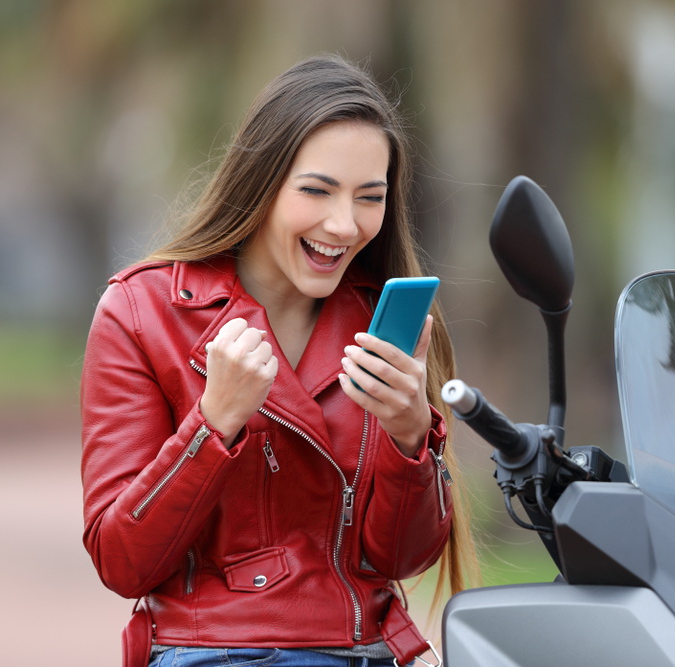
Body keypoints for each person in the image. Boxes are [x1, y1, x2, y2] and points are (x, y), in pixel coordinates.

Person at [80, 54, 477, 667]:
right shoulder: (141, 311)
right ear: (261, 183)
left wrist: (410, 438)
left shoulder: (389, 321)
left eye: (369, 198)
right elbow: (122, 559)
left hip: (364, 650)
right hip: (209, 651)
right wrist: (213, 425)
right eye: (317, 191)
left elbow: (402, 559)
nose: (343, 225)